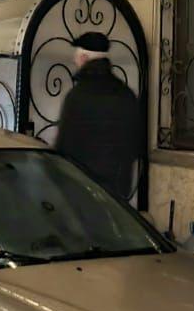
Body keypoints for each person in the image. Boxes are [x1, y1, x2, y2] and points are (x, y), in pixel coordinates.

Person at [54, 31, 143, 201]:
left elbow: (64, 147)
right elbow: (135, 145)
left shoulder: (77, 97)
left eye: (76, 57)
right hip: (116, 194)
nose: (74, 61)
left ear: (84, 58)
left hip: (82, 190)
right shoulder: (126, 95)